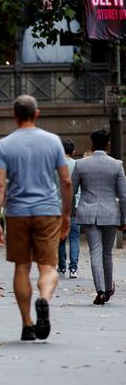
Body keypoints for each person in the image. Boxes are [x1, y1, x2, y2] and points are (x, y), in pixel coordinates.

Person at [0, 95, 71, 342]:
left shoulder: (5, 145)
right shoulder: (53, 142)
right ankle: (44, 299)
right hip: (48, 210)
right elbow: (66, 181)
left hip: (17, 213)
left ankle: (27, 325)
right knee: (48, 267)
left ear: (14, 116)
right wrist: (66, 214)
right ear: (37, 114)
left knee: (22, 267)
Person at [71, 129, 126, 305]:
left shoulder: (80, 164)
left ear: (92, 144)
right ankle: (109, 288)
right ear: (108, 144)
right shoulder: (117, 164)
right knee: (107, 254)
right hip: (110, 212)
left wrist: (70, 211)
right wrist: (124, 218)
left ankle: (100, 290)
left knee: (95, 251)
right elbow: (123, 195)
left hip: (88, 212)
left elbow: (71, 191)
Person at [57, 138, 81, 279]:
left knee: (60, 238)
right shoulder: (78, 165)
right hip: (74, 206)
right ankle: (73, 268)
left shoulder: (55, 166)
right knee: (74, 237)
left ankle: (62, 267)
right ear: (73, 151)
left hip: (58, 206)